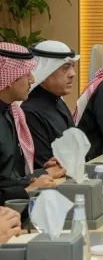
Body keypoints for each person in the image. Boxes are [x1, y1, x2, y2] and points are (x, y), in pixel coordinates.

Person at [0, 43, 57, 198]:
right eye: (27, 74)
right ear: (10, 77)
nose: (32, 79)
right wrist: (28, 190)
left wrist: (42, 172)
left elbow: (8, 177)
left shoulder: (12, 112)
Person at [22, 41, 79, 170]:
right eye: (65, 67)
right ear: (45, 73)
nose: (72, 74)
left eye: (72, 66)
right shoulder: (30, 111)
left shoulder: (58, 101)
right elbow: (47, 165)